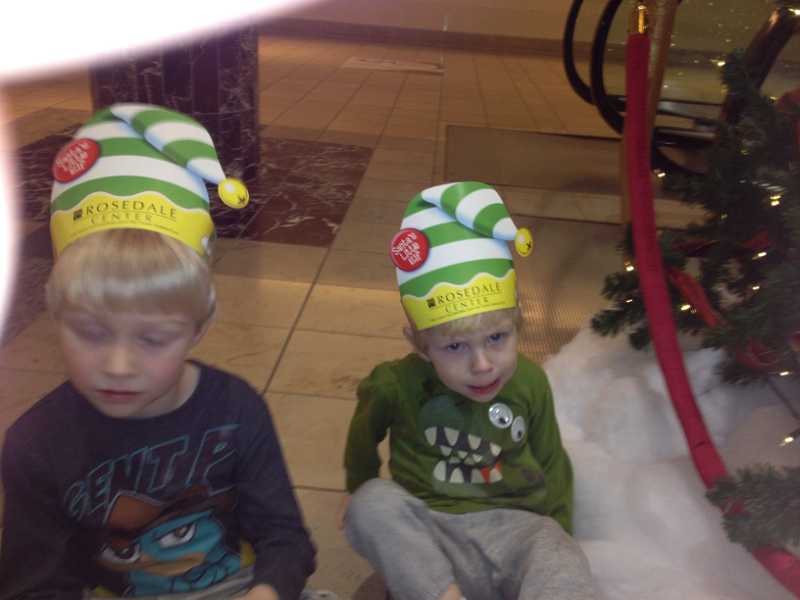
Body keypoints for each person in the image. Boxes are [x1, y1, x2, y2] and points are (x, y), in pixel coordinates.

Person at [0, 104, 332, 600]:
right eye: (90, 332)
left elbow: (284, 538)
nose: (118, 366)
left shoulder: (237, 409)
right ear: (55, 314)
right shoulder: (35, 444)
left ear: (199, 328)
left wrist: (267, 591)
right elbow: (34, 584)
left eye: (153, 339)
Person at [339, 182, 596, 600]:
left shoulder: (531, 382)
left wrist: (560, 537)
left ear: (519, 324)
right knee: (370, 503)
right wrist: (360, 485)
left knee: (556, 546)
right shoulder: (393, 385)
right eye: (455, 347)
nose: (482, 365)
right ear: (420, 345)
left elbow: (552, 461)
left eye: (496, 338)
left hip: (513, 531)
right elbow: (362, 440)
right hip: (430, 532)